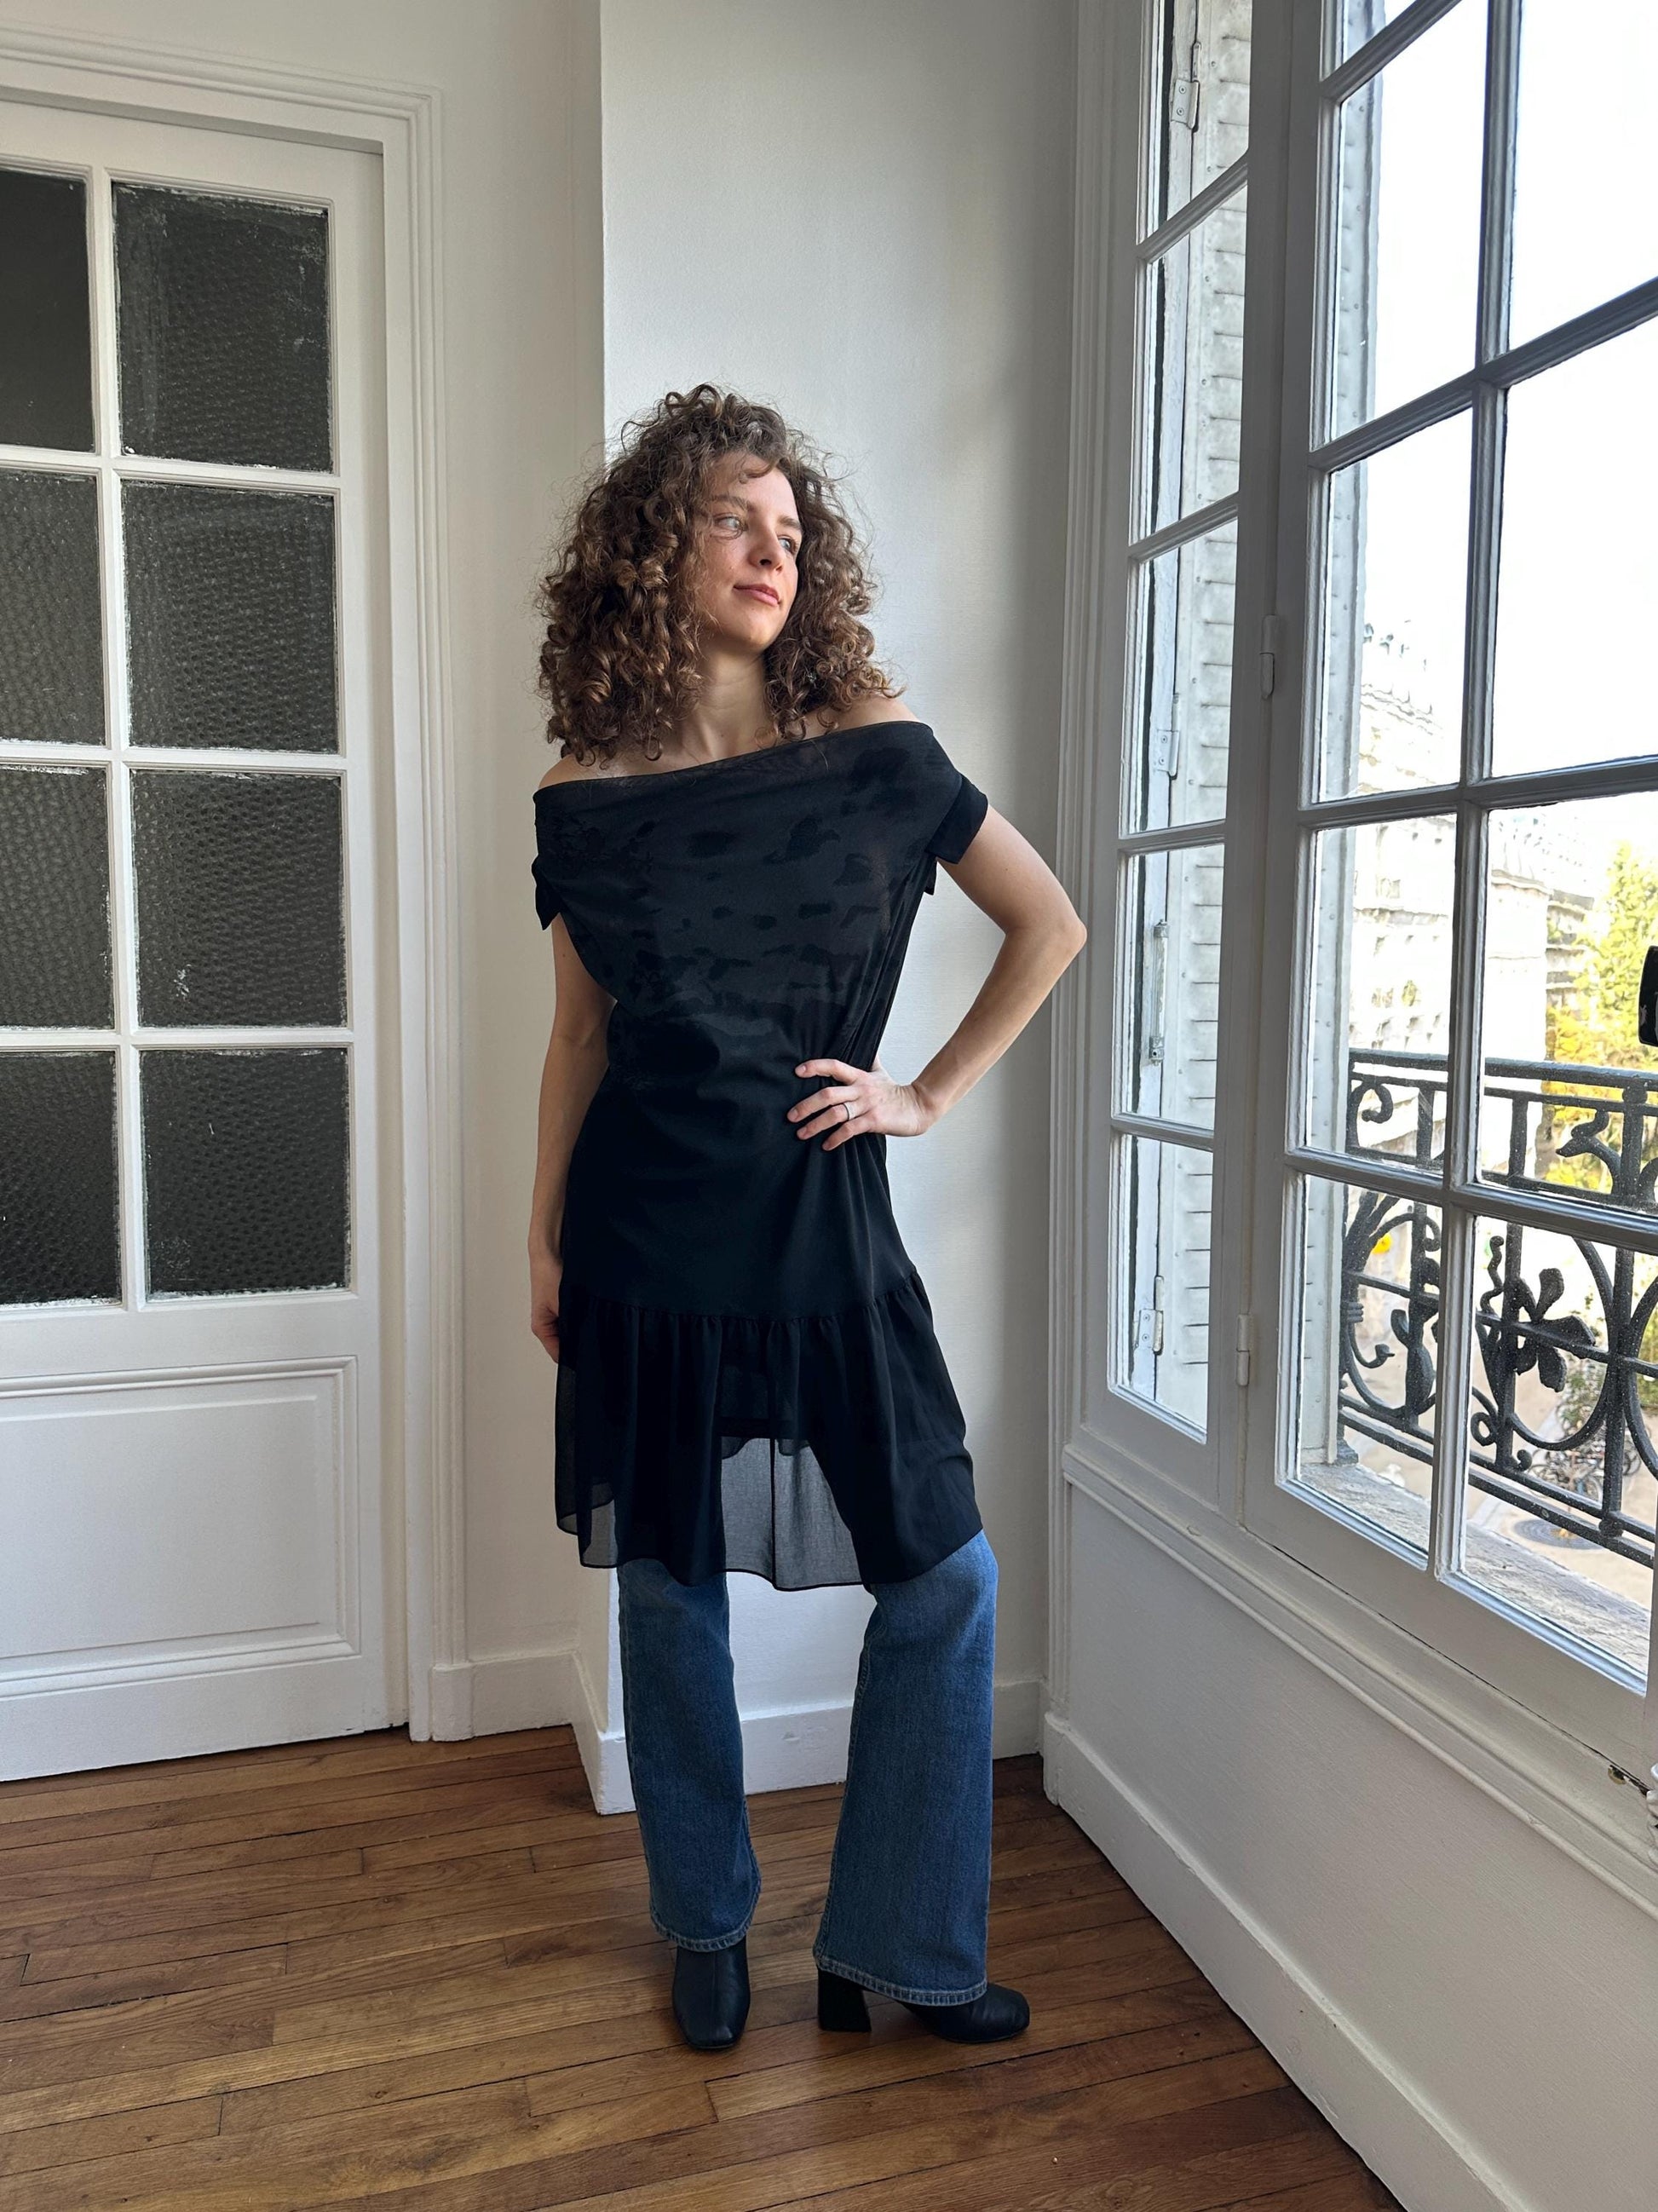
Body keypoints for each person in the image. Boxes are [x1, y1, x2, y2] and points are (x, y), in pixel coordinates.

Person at [526, 383, 1086, 2054]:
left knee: (944, 1573)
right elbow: (577, 1033)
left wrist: (921, 1089)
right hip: (644, 1227)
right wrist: (535, 1232)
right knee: (669, 1581)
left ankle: (896, 1942)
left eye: (792, 530)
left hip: (824, 1226)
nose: (773, 551)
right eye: (733, 522)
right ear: (652, 548)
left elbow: (1044, 922)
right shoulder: (586, 792)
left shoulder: (877, 755)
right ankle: (705, 1918)